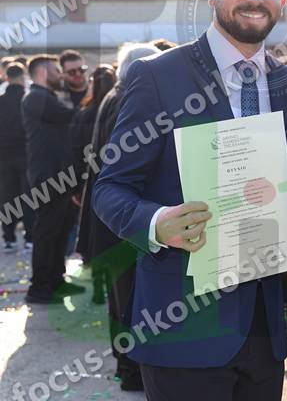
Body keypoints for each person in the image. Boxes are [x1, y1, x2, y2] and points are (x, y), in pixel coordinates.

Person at [92, 0, 287, 401]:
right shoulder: (158, 76)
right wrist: (158, 223)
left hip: (263, 328)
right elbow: (110, 188)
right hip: (182, 327)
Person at [82, 42, 160, 391]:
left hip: (113, 220)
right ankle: (130, 370)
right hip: (122, 220)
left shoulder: (116, 94)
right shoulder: (127, 101)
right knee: (128, 300)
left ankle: (127, 367)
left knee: (123, 298)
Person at [21, 55, 82, 304]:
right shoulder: (36, 98)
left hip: (58, 174)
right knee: (47, 232)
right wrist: (85, 93)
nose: (61, 76)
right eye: (57, 71)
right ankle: (40, 287)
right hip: (48, 176)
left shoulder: (45, 97)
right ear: (44, 73)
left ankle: (56, 281)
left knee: (60, 230)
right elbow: (74, 116)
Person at [70, 65, 116, 266]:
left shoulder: (85, 113)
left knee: (93, 230)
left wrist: (76, 186)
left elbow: (75, 150)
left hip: (89, 178)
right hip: (111, 178)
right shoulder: (117, 107)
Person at [0, 63, 35, 251]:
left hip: (4, 155)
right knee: (28, 196)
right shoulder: (28, 99)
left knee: (7, 196)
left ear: (7, 77)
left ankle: (9, 237)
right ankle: (30, 238)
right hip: (25, 153)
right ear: (23, 77)